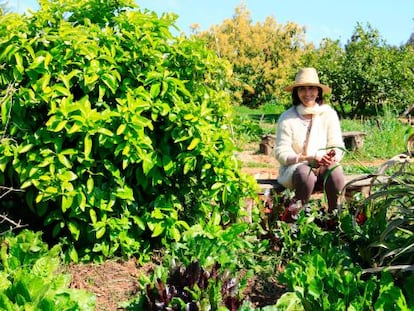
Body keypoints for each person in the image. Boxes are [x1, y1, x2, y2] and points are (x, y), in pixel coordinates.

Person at [274, 67, 345, 213]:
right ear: (296, 92)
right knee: (305, 175)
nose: (307, 94)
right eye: (302, 89)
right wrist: (306, 158)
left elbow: (336, 144)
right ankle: (295, 218)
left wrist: (330, 156)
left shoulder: (328, 114)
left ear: (318, 91)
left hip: (323, 169)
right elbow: (281, 152)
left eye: (312, 88)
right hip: (297, 169)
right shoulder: (287, 118)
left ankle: (334, 217)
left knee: (335, 172)